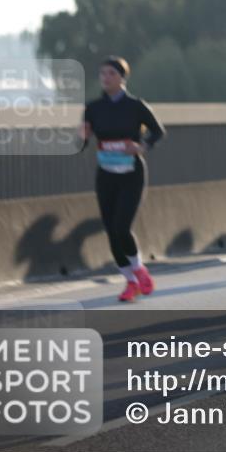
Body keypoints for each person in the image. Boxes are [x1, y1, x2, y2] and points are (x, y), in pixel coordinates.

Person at [80, 56, 165, 302]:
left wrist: (142, 146)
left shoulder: (135, 106)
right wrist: (82, 137)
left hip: (131, 174)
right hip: (106, 175)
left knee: (121, 226)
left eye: (111, 74)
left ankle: (139, 269)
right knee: (110, 231)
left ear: (122, 78)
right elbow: (84, 141)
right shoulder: (93, 107)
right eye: (102, 74)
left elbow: (158, 131)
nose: (105, 78)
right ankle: (130, 283)